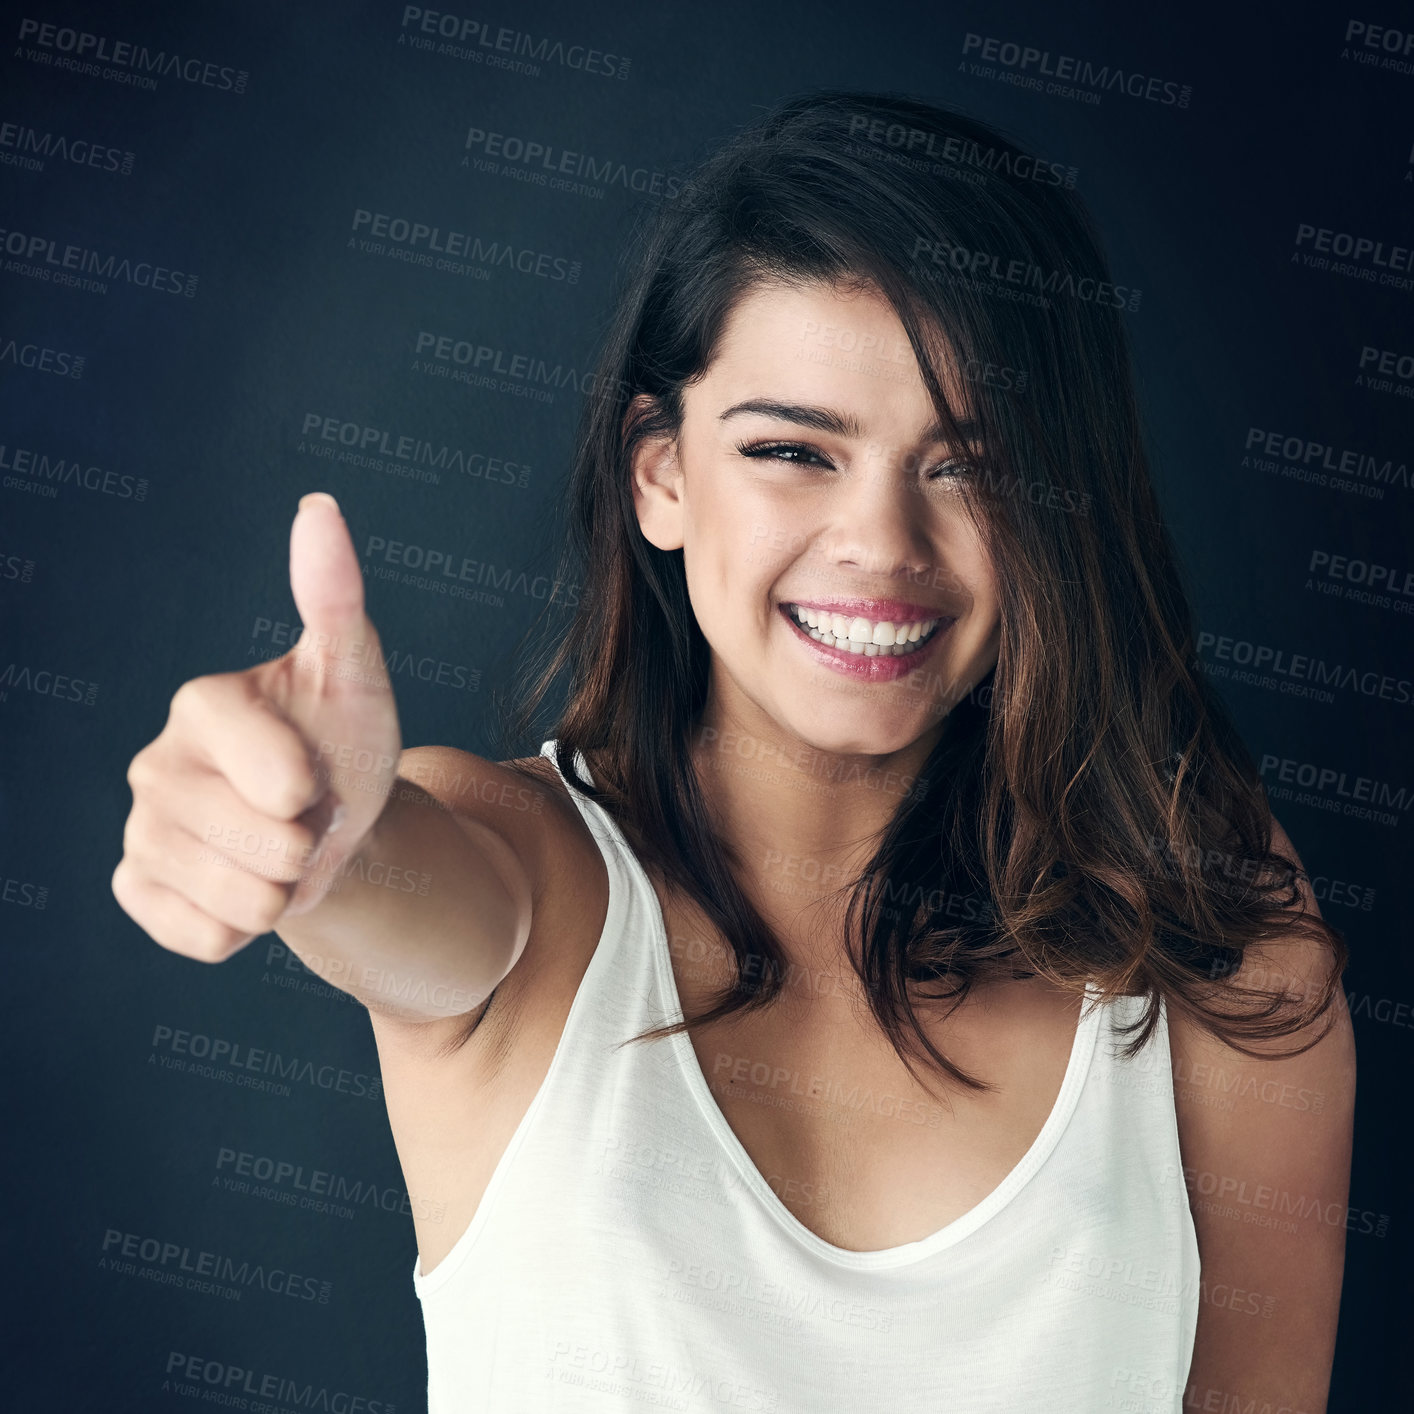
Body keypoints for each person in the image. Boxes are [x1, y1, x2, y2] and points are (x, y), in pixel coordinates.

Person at [113, 90, 1355, 1412]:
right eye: (790, 451)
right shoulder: (529, 874)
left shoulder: (1218, 950)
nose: (880, 543)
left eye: (966, 466)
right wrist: (312, 842)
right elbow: (397, 883)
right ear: (659, 475)